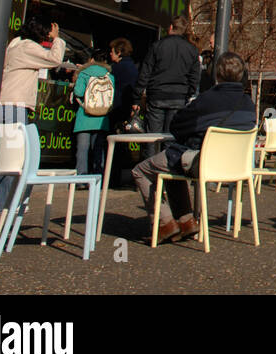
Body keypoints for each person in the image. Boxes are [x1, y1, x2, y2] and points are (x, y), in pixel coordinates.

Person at [130, 51, 257, 244]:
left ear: (216, 74)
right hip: (237, 167)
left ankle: (165, 223)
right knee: (173, 164)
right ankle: (186, 220)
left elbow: (178, 125)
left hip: (203, 162)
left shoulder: (207, 100)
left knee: (142, 170)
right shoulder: (248, 104)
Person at [0, 14, 67, 212]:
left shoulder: (14, 44)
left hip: (6, 102)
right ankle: (6, 206)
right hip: (15, 104)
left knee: (5, 158)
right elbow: (54, 59)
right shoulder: (27, 46)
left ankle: (0, 203)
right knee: (14, 159)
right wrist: (57, 39)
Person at [132, 15, 200, 159]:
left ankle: (151, 173)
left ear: (170, 28)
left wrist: (137, 98)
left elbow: (145, 72)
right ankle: (167, 171)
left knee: (152, 139)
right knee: (171, 138)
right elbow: (194, 77)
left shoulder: (157, 46)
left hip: (157, 95)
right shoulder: (191, 50)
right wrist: (188, 93)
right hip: (178, 97)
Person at [72, 48, 113, 175]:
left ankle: (81, 180)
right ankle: (97, 179)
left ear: (92, 59)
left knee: (82, 150)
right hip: (102, 117)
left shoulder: (84, 73)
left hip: (85, 116)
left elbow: (78, 92)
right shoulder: (109, 76)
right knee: (98, 149)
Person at [107, 38, 139, 135]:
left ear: (119, 52)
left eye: (112, 51)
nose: (110, 53)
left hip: (115, 107)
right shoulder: (133, 66)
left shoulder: (115, 68)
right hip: (127, 107)